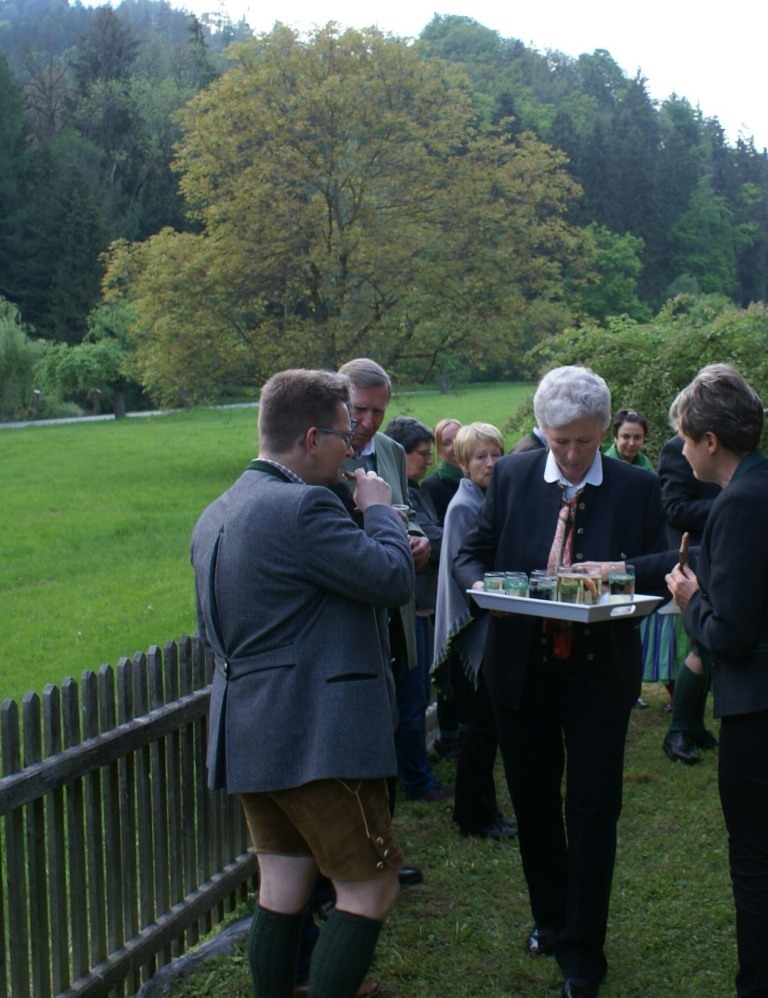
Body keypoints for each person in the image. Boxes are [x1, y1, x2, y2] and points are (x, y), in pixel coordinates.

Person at [190, 369, 415, 998]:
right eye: (345, 436)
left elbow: (213, 633)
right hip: (319, 737)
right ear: (312, 439)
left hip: (249, 732)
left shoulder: (216, 512)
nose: (352, 449)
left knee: (282, 885)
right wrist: (381, 510)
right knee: (371, 888)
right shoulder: (303, 507)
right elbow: (393, 579)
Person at [454, 365, 666, 998]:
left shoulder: (636, 486)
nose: (572, 455)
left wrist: (619, 570)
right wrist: (484, 590)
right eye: (560, 441)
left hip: (600, 671)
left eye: (585, 441)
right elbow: (473, 551)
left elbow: (667, 560)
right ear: (542, 430)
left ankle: (584, 948)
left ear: (604, 430)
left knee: (594, 805)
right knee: (534, 796)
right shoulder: (513, 476)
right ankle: (550, 917)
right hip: (521, 668)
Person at [665, 363, 768, 998]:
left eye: (684, 439)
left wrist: (690, 601)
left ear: (710, 441)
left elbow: (728, 632)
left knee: (755, 865)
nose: (680, 451)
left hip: (757, 713)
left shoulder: (739, 503)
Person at [338, 358, 451, 805]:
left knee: (408, 698)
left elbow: (406, 511)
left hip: (399, 608)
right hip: (351, 608)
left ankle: (402, 790)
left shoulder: (391, 451)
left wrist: (418, 540)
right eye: (359, 410)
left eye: (378, 411)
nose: (368, 422)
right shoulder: (323, 452)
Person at [432, 422, 516, 840]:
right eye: (481, 457)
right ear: (463, 464)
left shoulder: (489, 498)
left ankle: (481, 811)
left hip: (494, 626)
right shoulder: (465, 506)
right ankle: (474, 815)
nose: (490, 463)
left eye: (496, 455)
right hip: (478, 628)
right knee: (481, 730)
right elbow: (466, 570)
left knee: (488, 729)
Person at [658, 432, 721, 764]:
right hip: (693, 559)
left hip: (722, 554)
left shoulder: (726, 442)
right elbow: (675, 510)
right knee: (701, 645)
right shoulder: (677, 448)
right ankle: (677, 731)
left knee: (707, 645)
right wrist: (730, 503)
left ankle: (693, 726)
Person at [421, 418, 463, 524]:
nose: (455, 446)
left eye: (459, 438)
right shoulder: (432, 487)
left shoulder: (483, 476)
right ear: (439, 451)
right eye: (446, 443)